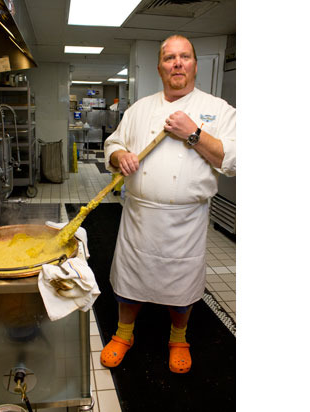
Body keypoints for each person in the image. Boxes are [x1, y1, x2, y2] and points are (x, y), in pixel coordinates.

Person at [100, 34, 236, 374]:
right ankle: (123, 333)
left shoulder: (219, 110)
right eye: (169, 58)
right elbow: (113, 143)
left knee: (183, 285)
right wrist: (120, 156)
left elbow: (235, 159)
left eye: (184, 56)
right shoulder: (140, 109)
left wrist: (194, 133)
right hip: (140, 217)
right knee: (130, 280)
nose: (177, 63)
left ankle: (179, 338)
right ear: (160, 67)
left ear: (194, 64)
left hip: (186, 220)